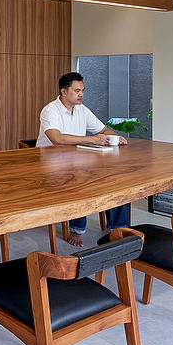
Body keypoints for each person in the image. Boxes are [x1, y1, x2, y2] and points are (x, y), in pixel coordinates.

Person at [36, 71, 129, 246]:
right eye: (77, 91)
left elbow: (102, 130)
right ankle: (77, 230)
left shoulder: (82, 110)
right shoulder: (50, 110)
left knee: (114, 180)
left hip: (77, 160)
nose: (81, 95)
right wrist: (92, 139)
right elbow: (57, 138)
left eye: (83, 90)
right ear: (64, 92)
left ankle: (116, 228)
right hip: (50, 164)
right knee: (80, 180)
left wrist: (115, 137)